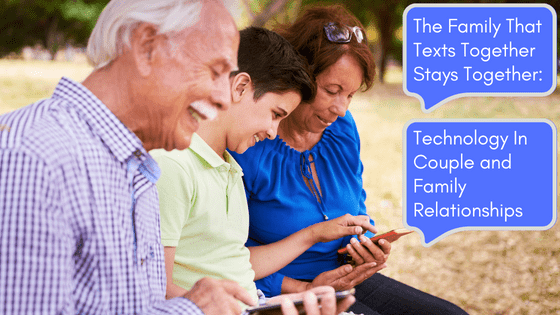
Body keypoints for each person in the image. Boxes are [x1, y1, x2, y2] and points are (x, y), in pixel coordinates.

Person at [0, 1, 351, 314]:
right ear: (147, 48)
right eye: (214, 71)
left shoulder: (136, 165)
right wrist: (194, 309)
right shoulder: (35, 155)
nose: (220, 96)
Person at [230, 5, 469, 315]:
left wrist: (367, 247)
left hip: (344, 276)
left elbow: (356, 208)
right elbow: (228, 255)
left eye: (351, 95)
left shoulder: (342, 129)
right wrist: (300, 288)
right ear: (298, 77)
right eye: (332, 90)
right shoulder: (250, 142)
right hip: (283, 287)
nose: (341, 108)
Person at [151, 26, 378, 307]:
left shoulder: (229, 166)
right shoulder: (174, 165)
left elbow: (235, 262)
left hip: (258, 302)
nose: (273, 132)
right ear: (240, 87)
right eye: (275, 114)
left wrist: (314, 236)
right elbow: (153, 290)